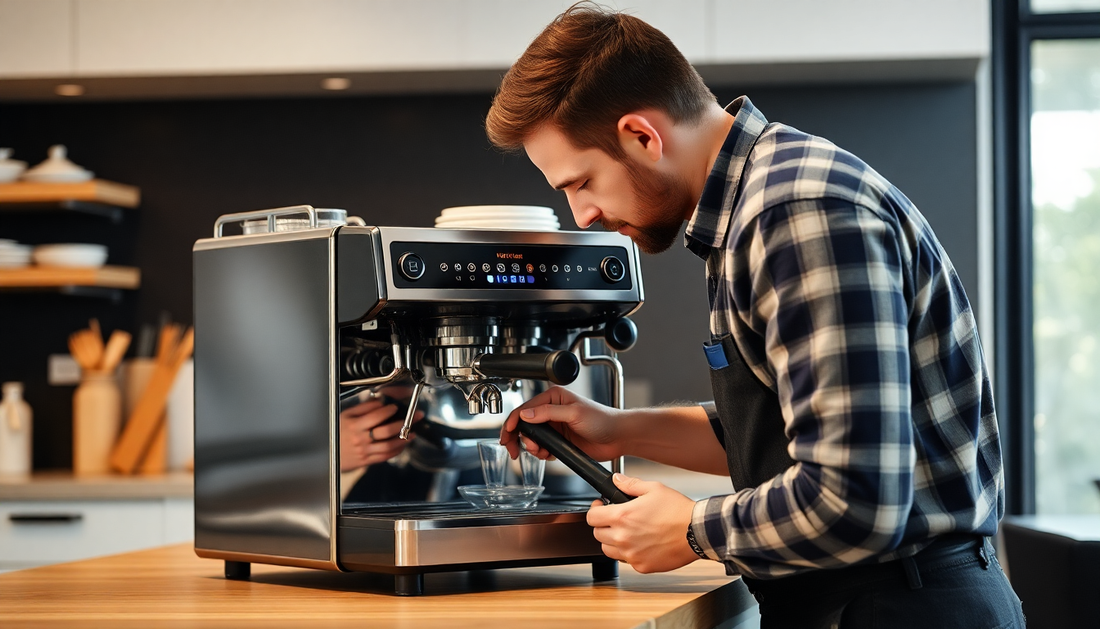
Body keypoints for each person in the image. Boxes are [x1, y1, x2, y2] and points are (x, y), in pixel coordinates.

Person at [489, 4, 1025, 628]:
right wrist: (619, 429)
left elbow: (856, 498)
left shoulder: (794, 212)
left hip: (897, 605)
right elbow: (790, 433)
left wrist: (692, 528)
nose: (582, 215)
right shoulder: (757, 203)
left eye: (581, 183)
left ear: (642, 135)